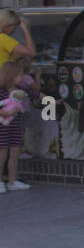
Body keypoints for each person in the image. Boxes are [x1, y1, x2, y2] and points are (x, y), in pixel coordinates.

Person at [0, 62, 31, 193]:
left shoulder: (20, 91)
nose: (23, 77)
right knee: (2, 154)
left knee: (15, 152)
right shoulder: (1, 91)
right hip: (2, 125)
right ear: (12, 76)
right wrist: (5, 113)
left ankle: (12, 181)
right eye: (20, 75)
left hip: (15, 124)